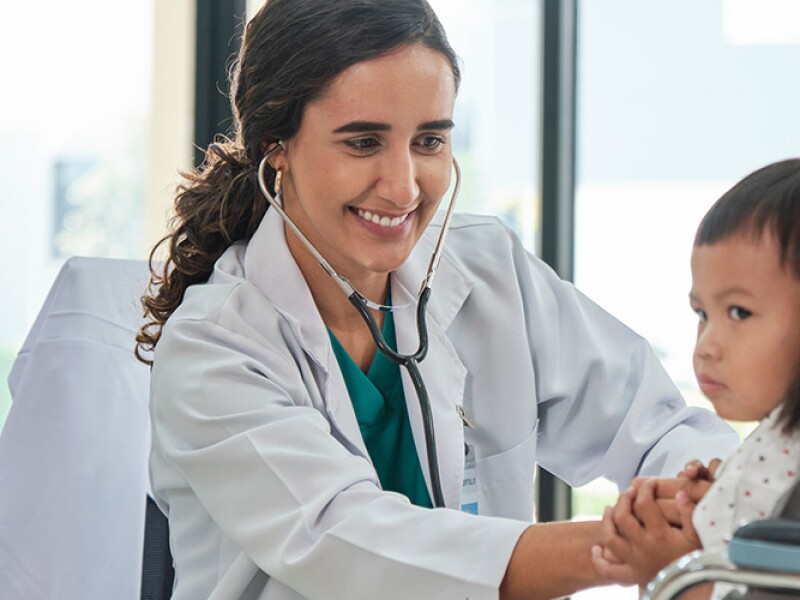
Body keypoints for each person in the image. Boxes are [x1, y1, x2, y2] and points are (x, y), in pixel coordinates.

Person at [136, 1, 738, 598]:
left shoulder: (490, 271)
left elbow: (660, 425)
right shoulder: (213, 348)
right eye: (363, 142)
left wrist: (693, 511)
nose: (402, 187)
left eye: (428, 141)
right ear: (277, 151)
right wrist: (620, 548)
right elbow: (351, 545)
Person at [591, 159, 800, 600]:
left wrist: (671, 573)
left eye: (739, 313)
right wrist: (719, 503)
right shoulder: (780, 439)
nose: (706, 345)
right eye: (702, 314)